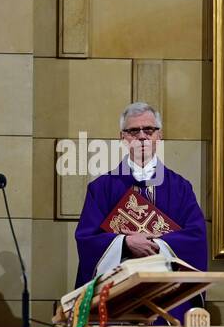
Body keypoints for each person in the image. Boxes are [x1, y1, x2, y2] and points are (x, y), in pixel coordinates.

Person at [74, 102, 207, 315]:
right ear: (123, 138)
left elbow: (197, 238)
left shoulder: (180, 187)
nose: (142, 136)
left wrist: (156, 245)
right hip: (117, 296)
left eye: (149, 130)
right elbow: (86, 239)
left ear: (159, 136)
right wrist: (125, 243)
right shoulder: (101, 187)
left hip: (168, 297)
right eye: (134, 131)